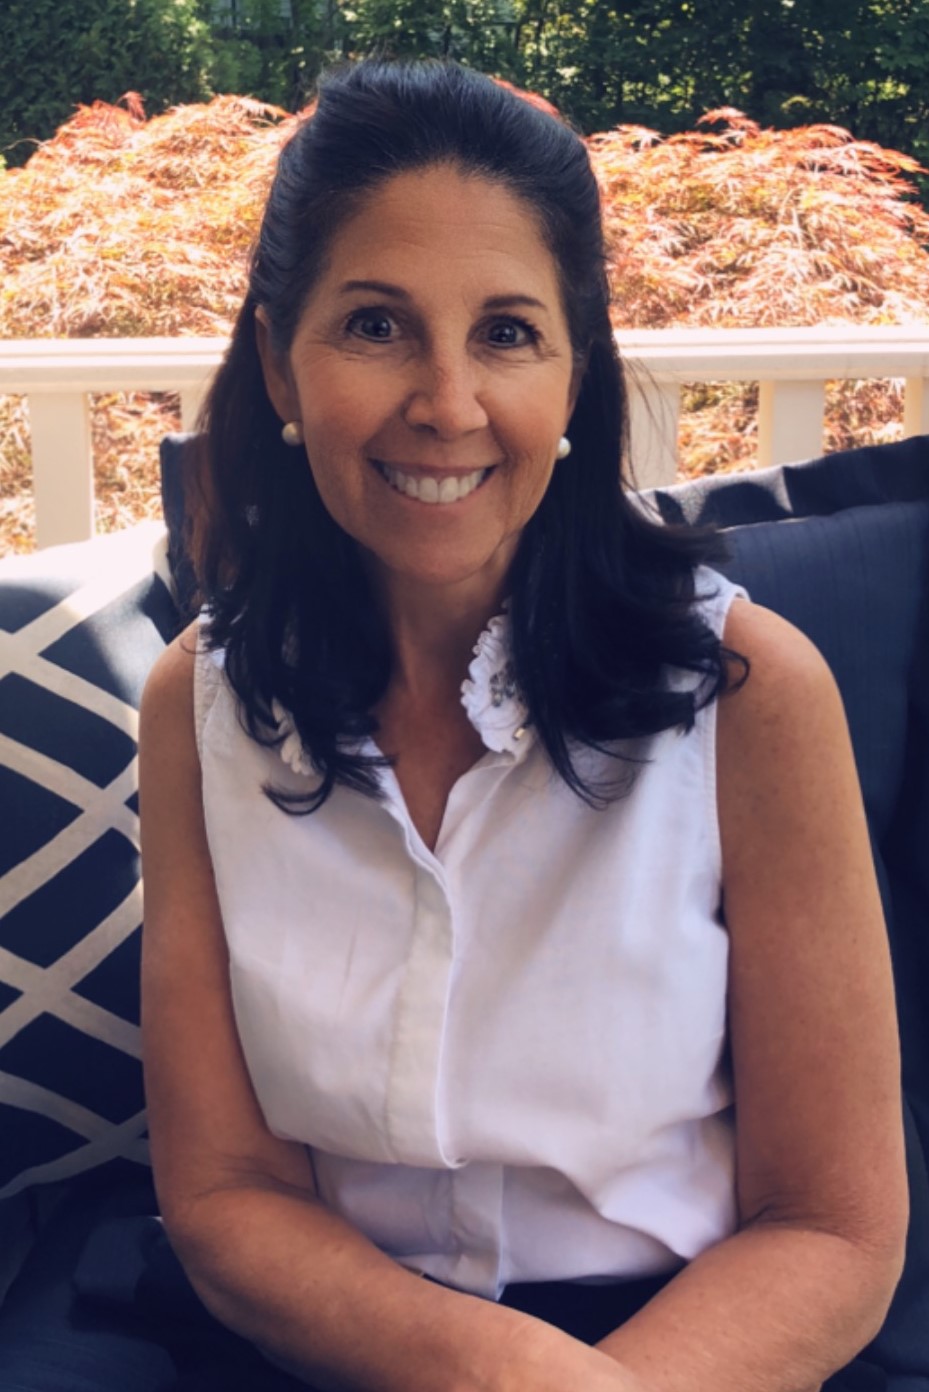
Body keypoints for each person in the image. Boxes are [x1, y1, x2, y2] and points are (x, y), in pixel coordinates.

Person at [138, 58, 907, 1392]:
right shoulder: (196, 702)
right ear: (277, 355)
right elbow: (224, 1192)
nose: (445, 402)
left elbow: (831, 1229)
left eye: (506, 332)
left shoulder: (753, 694)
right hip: (329, 1338)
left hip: (698, 1347)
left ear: (573, 371)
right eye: (375, 326)